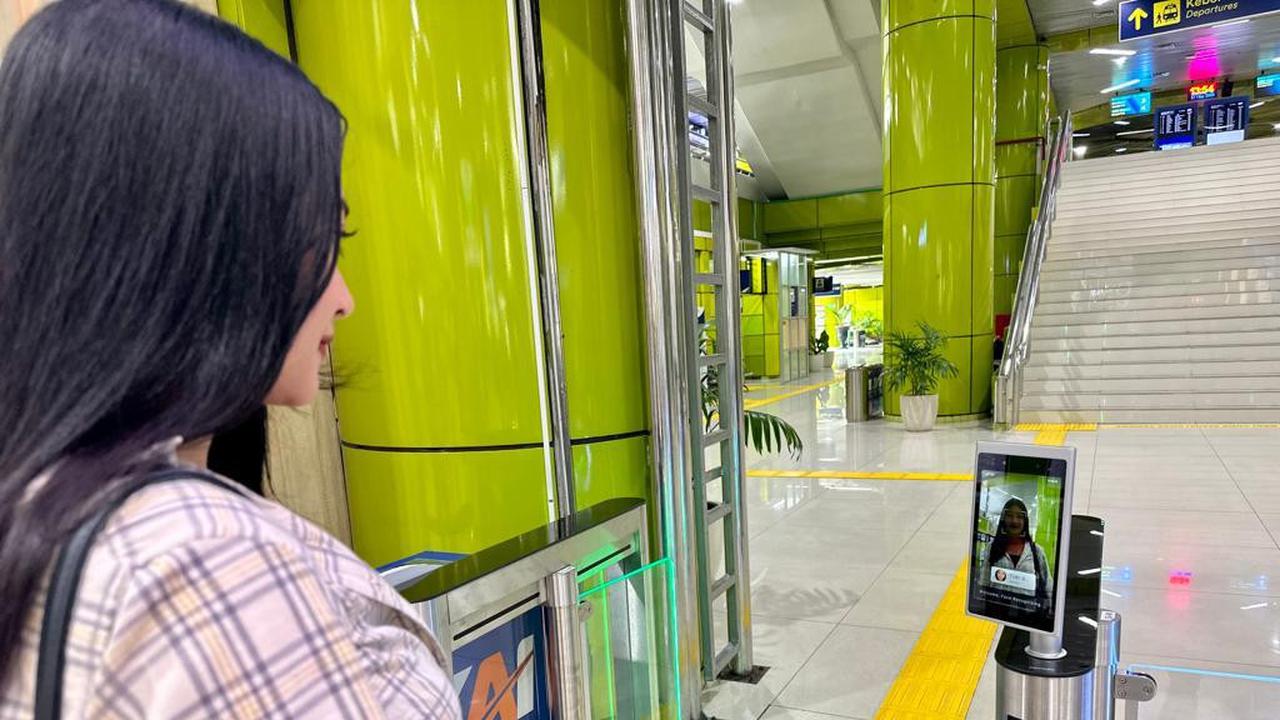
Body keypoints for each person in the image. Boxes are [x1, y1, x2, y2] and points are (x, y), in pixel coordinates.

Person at [0, 1, 460, 717]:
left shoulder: (46, 507)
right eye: (327, 235)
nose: (343, 298)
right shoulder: (204, 562)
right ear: (207, 242)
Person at [984, 497, 1053, 607]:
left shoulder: (1037, 551)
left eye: (1019, 517)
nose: (1014, 521)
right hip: (997, 611)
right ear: (1003, 519)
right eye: (1010, 516)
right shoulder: (992, 548)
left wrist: (1050, 611)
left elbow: (1048, 586)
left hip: (1029, 615)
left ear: (1025, 521)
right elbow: (984, 583)